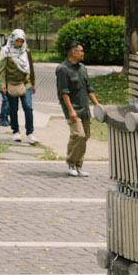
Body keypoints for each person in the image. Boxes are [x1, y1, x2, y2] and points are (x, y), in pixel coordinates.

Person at [55, 39, 95, 176]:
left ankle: (79, 165)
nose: (83, 53)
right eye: (81, 51)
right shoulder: (62, 69)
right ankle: (71, 163)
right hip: (73, 109)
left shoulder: (83, 68)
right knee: (78, 135)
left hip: (85, 109)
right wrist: (71, 110)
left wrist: (98, 105)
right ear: (73, 52)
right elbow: (64, 92)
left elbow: (89, 89)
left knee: (85, 137)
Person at [0, 29, 35, 142]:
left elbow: (31, 69)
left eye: (21, 41)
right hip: (12, 83)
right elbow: (2, 70)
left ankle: (30, 133)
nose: (19, 43)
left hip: (26, 83)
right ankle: (16, 131)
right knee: (13, 109)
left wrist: (33, 83)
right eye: (17, 40)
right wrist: (3, 83)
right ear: (12, 39)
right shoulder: (6, 51)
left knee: (28, 107)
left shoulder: (26, 51)